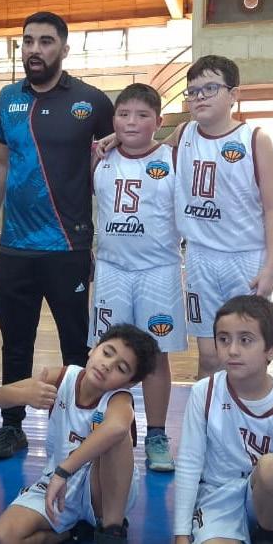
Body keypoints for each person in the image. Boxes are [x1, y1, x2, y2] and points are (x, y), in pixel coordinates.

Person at [101, 55, 273, 382]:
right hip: (200, 257)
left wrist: (270, 267)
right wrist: (116, 137)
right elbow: (147, 148)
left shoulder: (255, 138)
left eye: (210, 88)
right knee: (210, 355)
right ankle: (209, 413)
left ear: (233, 94)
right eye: (193, 91)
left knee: (247, 353)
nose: (200, 97)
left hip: (245, 258)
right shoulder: (184, 132)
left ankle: (245, 411)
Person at [0, 11, 115, 459]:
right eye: (28, 41)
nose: (34, 49)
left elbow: (121, 150)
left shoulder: (91, 101)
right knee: (15, 343)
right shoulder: (7, 98)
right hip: (15, 249)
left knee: (76, 345)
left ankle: (79, 424)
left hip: (68, 247)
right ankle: (11, 426)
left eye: (45, 41)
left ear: (63, 48)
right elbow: (1, 162)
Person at [173, 295, 273, 544]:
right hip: (219, 496)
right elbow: (189, 463)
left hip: (270, 499)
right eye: (224, 339)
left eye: (245, 340)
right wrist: (181, 533)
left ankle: (267, 534)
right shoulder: (204, 392)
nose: (233, 350)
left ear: (272, 349)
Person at [0, 324, 158, 544]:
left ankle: (112, 530)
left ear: (130, 383)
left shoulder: (119, 399)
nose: (107, 365)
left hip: (102, 491)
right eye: (107, 353)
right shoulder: (62, 377)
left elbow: (117, 428)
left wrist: (64, 471)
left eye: (121, 368)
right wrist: (24, 396)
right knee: (2, 537)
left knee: (117, 437)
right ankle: (69, 532)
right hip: (59, 484)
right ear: (93, 349)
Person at [89, 83, 184, 472]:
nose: (131, 122)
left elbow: (194, 127)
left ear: (159, 122)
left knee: (156, 355)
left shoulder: (174, 156)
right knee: (108, 352)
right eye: (123, 114)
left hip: (158, 270)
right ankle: (112, 426)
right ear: (113, 119)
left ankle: (157, 434)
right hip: (112, 269)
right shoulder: (99, 157)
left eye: (143, 115)